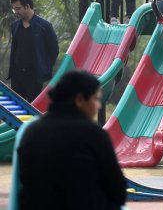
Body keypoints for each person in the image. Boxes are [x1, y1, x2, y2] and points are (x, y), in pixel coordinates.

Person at [15, 70, 126, 210]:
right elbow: (118, 192)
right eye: (96, 99)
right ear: (80, 100)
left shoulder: (30, 131)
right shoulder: (94, 134)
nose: (98, 106)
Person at [8, 0, 59, 102]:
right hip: (17, 75)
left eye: (18, 8)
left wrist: (44, 68)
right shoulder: (15, 26)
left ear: (27, 6)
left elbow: (54, 50)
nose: (15, 12)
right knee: (16, 109)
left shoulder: (44, 26)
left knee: (33, 109)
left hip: (35, 76)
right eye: (14, 9)